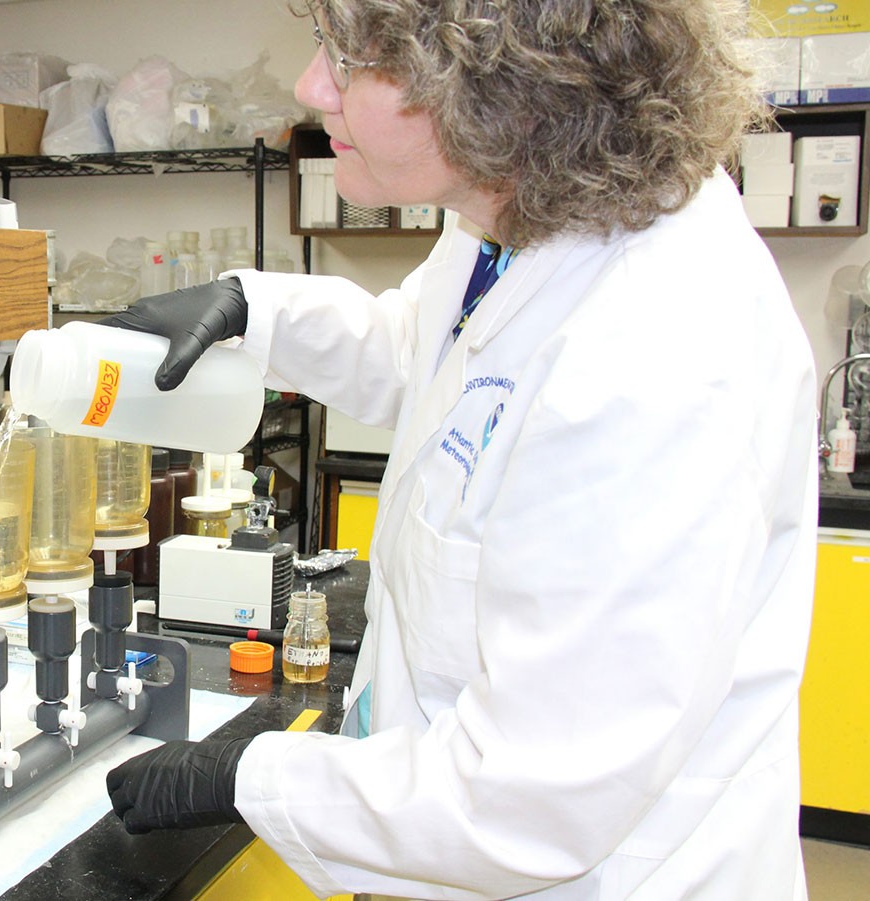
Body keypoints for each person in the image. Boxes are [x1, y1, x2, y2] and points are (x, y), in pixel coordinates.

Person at [102, 1, 818, 898]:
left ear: (499, 88)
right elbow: (439, 355)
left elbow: (531, 799)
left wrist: (251, 777)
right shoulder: (529, 207)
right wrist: (260, 309)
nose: (309, 85)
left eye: (350, 59)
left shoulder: (654, 356)